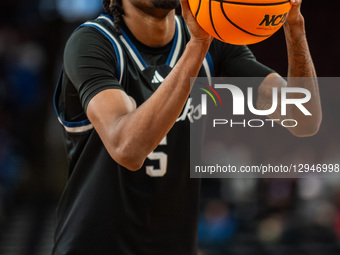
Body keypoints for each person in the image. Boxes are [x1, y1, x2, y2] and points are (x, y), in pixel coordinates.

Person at [52, 0, 322, 254]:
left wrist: (294, 27)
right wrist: (197, 46)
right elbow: (128, 149)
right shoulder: (92, 43)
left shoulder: (213, 42)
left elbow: (304, 119)